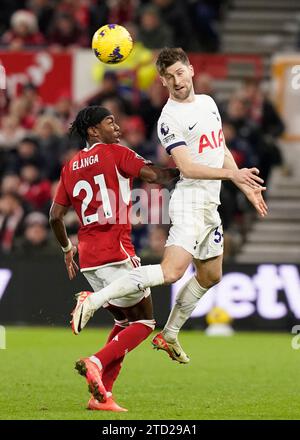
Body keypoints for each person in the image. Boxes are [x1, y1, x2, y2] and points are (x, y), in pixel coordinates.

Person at [71, 48, 268, 364]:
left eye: (179, 72)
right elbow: (188, 168)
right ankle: (94, 300)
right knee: (171, 271)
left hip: (210, 203)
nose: (176, 80)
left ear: (190, 69)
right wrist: (233, 173)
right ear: (162, 81)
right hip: (190, 201)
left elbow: (220, 147)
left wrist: (242, 183)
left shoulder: (208, 103)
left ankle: (170, 334)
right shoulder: (169, 119)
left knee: (211, 274)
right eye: (169, 76)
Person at [49, 105, 179, 411]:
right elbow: (156, 176)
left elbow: (55, 216)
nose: (117, 127)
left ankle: (101, 396)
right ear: (94, 130)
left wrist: (68, 249)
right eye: (111, 122)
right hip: (116, 251)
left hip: (89, 257)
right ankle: (95, 360)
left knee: (124, 321)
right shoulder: (115, 152)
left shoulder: (71, 166)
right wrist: (193, 170)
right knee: (145, 322)